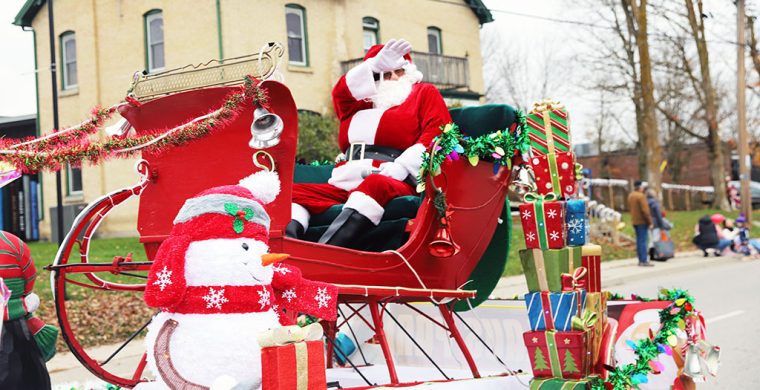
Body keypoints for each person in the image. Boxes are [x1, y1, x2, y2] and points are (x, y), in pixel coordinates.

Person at [286, 39, 451, 248]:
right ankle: (291, 247)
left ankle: (328, 250)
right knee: (293, 194)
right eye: (382, 73)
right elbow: (340, 93)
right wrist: (373, 66)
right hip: (346, 179)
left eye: (397, 72)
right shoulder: (356, 104)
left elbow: (437, 132)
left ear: (409, 73)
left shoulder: (422, 93)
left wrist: (401, 167)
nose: (390, 78)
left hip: (392, 178)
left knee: (376, 185)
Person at [627, 181, 654, 266]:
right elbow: (645, 211)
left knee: (639, 241)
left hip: (634, 221)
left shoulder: (631, 195)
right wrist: (650, 222)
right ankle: (644, 260)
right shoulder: (641, 196)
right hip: (642, 221)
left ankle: (640, 259)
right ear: (640, 188)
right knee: (643, 241)